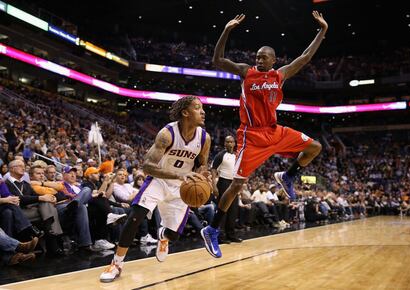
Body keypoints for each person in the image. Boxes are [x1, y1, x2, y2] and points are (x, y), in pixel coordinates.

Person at [201, 11, 327, 258]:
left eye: (264, 57)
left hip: (275, 131)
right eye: (257, 56)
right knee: (237, 185)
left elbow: (305, 57)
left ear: (273, 60)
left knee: (315, 147)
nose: (259, 59)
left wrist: (322, 30)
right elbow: (217, 60)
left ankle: (287, 176)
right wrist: (226, 29)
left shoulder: (280, 74)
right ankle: (212, 229)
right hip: (251, 135)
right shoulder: (246, 72)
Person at [100, 96, 211, 283]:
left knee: (174, 235)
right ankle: (116, 264)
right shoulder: (167, 134)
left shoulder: (204, 138)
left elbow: (202, 165)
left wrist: (203, 176)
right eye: (197, 108)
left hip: (182, 188)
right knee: (136, 216)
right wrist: (178, 175)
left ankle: (163, 235)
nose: (203, 112)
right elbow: (147, 166)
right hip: (159, 180)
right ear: (185, 113)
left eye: (202, 108)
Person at [211, 135, 241, 243]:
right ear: (224, 143)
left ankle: (231, 234)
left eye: (231, 142)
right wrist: (214, 185)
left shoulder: (237, 155)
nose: (229, 144)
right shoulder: (220, 155)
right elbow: (213, 170)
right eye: (227, 142)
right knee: (223, 210)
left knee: (233, 210)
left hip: (234, 183)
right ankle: (220, 236)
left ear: (234, 143)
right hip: (223, 182)